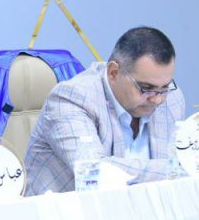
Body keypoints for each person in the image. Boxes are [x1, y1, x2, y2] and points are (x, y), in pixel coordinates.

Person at [24, 26, 186, 195]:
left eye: (165, 87)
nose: (157, 99)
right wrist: (178, 168)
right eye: (146, 88)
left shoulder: (172, 99)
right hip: (68, 210)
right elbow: (96, 171)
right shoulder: (71, 99)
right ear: (113, 73)